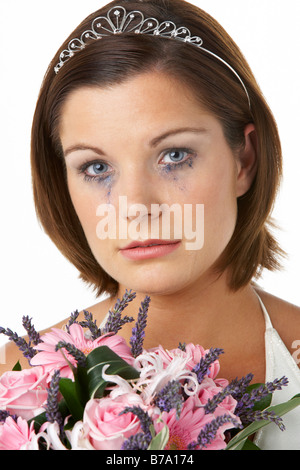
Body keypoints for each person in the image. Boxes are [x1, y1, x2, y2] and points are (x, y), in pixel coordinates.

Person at [1, 0, 300, 449]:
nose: (135, 206)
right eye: (96, 168)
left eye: (174, 156)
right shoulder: (17, 385)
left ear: (244, 160)